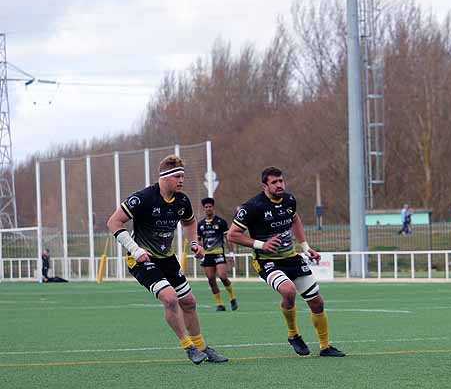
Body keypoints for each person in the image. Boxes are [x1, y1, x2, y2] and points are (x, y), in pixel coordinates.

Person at [105, 155, 227, 364]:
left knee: (189, 302)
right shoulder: (143, 198)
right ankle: (189, 348)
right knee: (170, 298)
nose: (181, 180)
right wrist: (135, 250)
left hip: (167, 258)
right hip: (142, 260)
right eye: (177, 176)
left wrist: (195, 243)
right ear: (164, 177)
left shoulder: (182, 200)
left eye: (183, 176)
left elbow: (189, 223)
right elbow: (114, 221)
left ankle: (202, 347)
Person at [227, 166, 345, 357]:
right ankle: (293, 335)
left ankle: (325, 347)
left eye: (281, 180)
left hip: (291, 258)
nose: (279, 185)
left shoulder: (290, 200)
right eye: (274, 182)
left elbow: (295, 219)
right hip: (266, 261)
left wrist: (305, 247)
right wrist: (261, 244)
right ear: (264, 185)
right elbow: (232, 235)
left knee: (317, 303)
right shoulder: (252, 207)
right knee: (288, 290)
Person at [197, 198, 237, 311]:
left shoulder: (221, 222)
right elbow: (199, 241)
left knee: (223, 277)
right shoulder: (200, 224)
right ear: (203, 209)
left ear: (213, 208)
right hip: (207, 255)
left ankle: (232, 297)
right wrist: (198, 251)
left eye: (210, 206)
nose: (208, 209)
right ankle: (220, 304)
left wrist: (231, 254)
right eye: (206, 207)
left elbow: (228, 239)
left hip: (219, 253)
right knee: (211, 279)